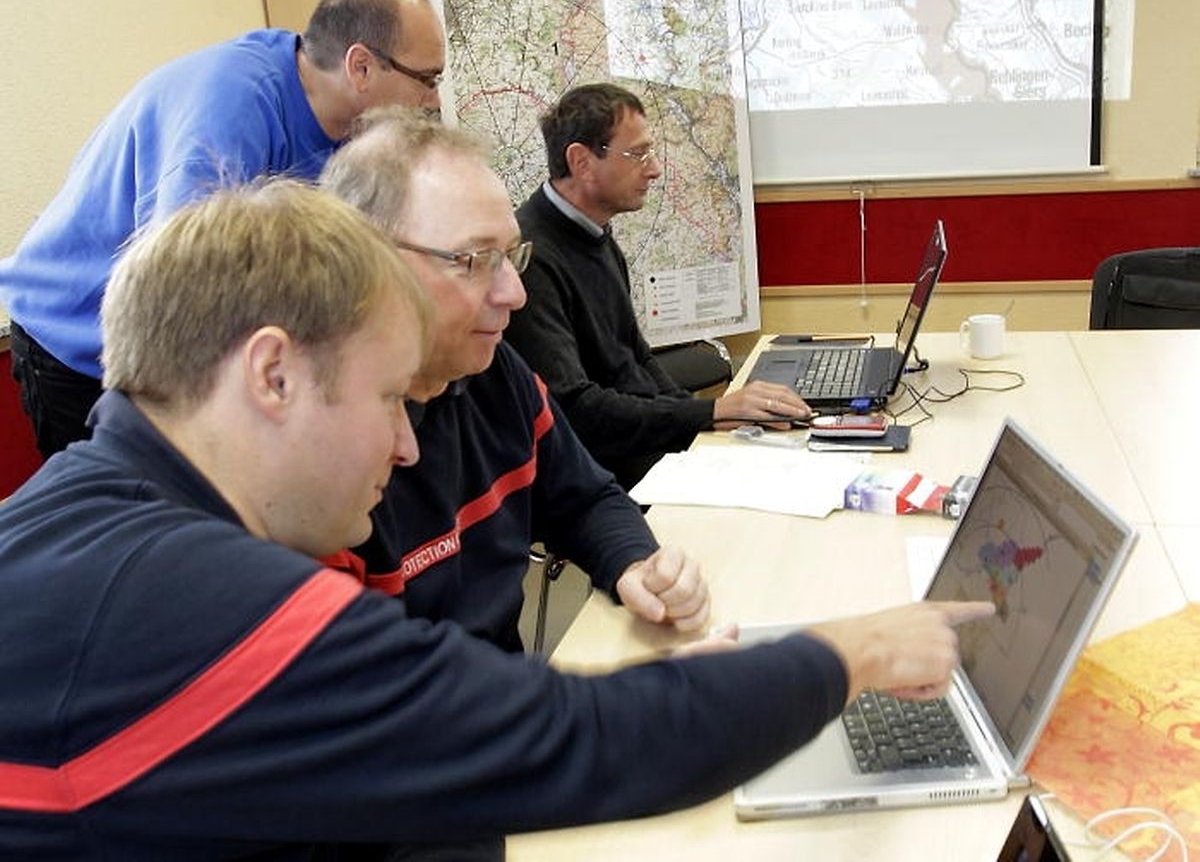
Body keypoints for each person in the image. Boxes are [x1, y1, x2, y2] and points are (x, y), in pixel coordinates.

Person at [0, 178, 992, 859]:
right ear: (273, 374)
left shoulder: (81, 515)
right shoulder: (194, 599)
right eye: (389, 399)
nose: (406, 445)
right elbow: (579, 742)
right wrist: (855, 651)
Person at [0, 0, 445, 460]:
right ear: (360, 67)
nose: (434, 100)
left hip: (175, 334)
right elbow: (187, 292)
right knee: (139, 500)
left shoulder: (350, 123)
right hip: (78, 341)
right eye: (427, 79)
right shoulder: (230, 110)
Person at [319, 107, 710, 655]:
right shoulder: (327, 451)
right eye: (476, 260)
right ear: (369, 262)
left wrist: (635, 565)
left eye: (510, 257)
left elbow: (583, 497)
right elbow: (383, 685)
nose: (515, 294)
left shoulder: (494, 369)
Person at [506, 82, 812, 490]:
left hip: (639, 451)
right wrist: (710, 413)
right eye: (637, 154)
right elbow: (574, 411)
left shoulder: (595, 234)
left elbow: (636, 357)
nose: (653, 169)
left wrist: (707, 423)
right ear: (581, 161)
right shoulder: (531, 259)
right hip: (596, 477)